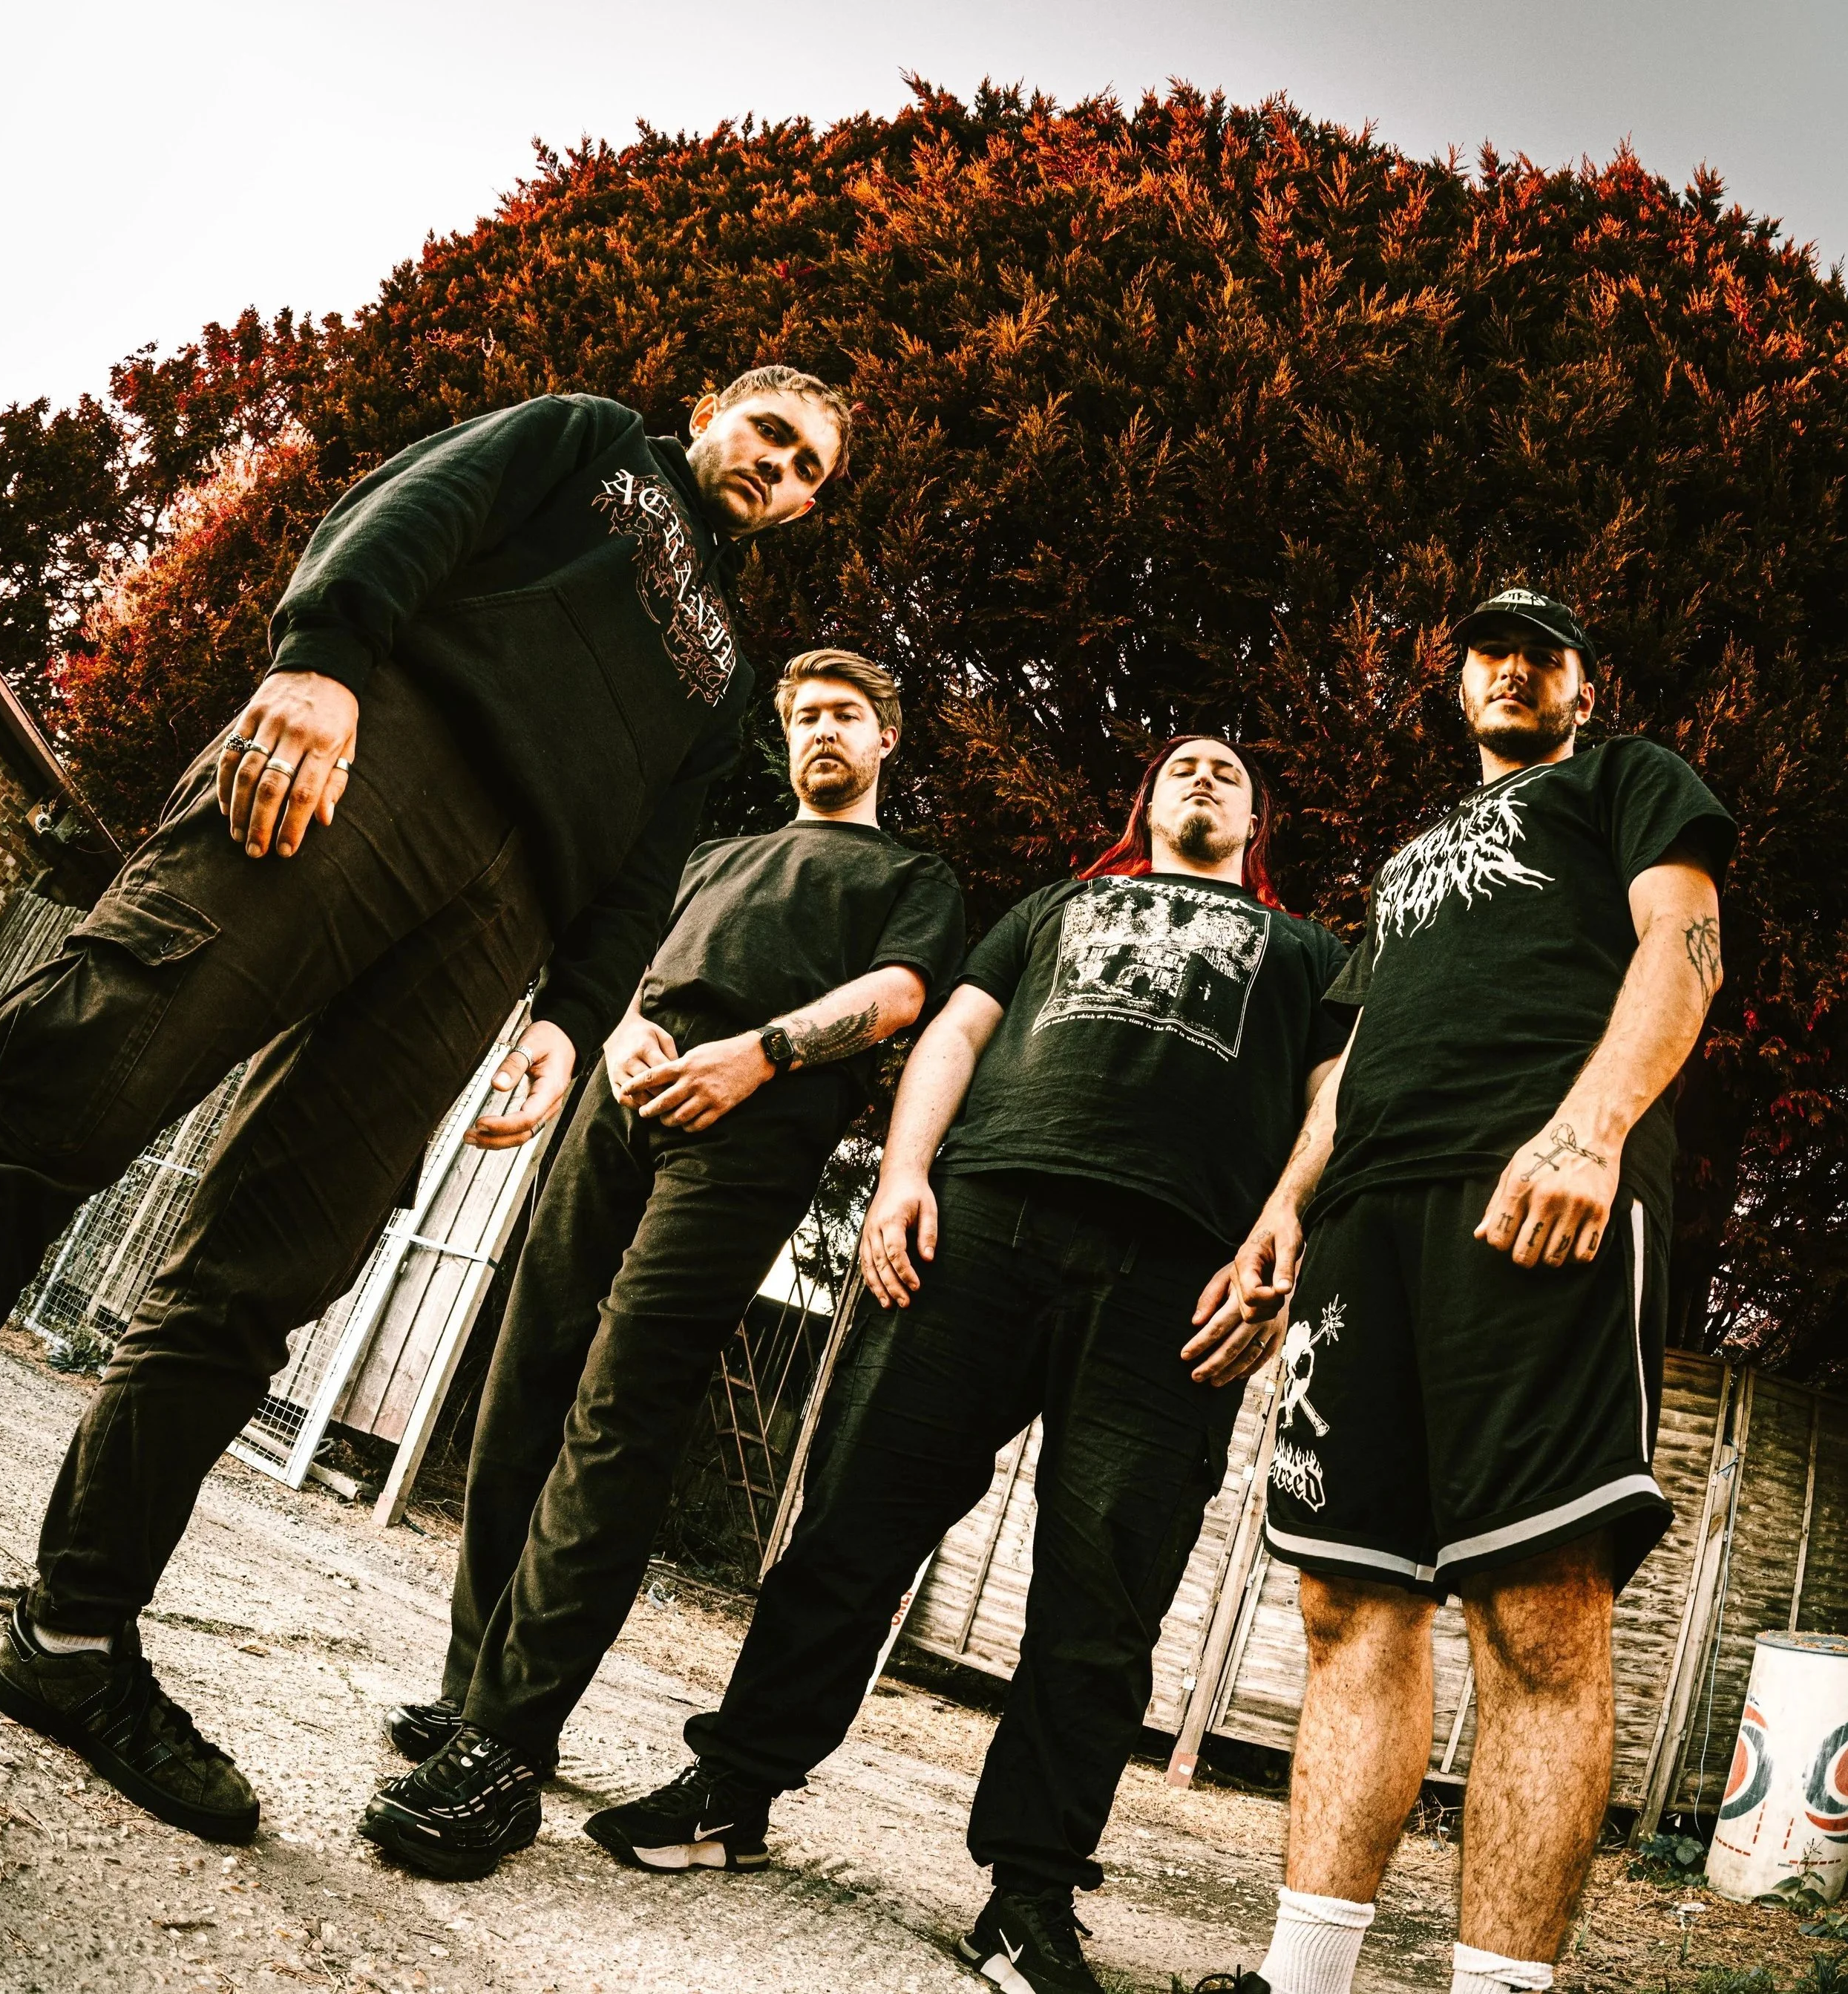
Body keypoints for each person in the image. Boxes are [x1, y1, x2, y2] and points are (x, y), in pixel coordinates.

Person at [0, 367, 851, 1845]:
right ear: (712, 410)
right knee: (91, 1060)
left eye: (808, 470)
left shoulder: (724, 675)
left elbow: (647, 861)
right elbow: (416, 504)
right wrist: (322, 663)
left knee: (277, 1259)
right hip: (385, 748)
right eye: (769, 432)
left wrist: (571, 1021)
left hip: (506, 909)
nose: (776, 469)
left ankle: (71, 1632)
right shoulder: (590, 444)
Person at [594, 735, 1352, 1994]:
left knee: (1104, 1591)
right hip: (979, 1225)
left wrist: (1286, 1222)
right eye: (1182, 767)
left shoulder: (1311, 952)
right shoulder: (1059, 905)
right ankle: (732, 1789)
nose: (1205, 778)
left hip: (1181, 1276)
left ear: (1259, 819)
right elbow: (954, 1031)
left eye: (1229, 772)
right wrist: (901, 1177)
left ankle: (1029, 1894)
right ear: (1146, 802)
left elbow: (1337, 1095)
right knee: (853, 1511)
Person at [356, 648, 965, 1880]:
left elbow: (901, 994)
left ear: (887, 738)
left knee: (620, 1404)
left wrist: (761, 1054)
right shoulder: (715, 856)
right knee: (527, 1372)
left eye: (845, 715)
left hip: (752, 1120)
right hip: (625, 1101)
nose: (821, 733)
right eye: (802, 718)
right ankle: (476, 1683)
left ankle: (508, 1742)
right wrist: (629, 1028)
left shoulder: (911, 875)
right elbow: (636, 969)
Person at [1223, 591, 1735, 1994]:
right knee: (1348, 1608)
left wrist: (1590, 1128)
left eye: (1543, 653)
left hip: (1528, 1196)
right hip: (1364, 1227)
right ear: (1457, 688)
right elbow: (1347, 1058)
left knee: (1535, 1612)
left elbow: (1681, 943)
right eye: (1487, 652)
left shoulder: (1628, 781)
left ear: (1580, 686)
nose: (1511, 667)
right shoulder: (1402, 865)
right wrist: (1281, 1213)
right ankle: (1301, 1980)